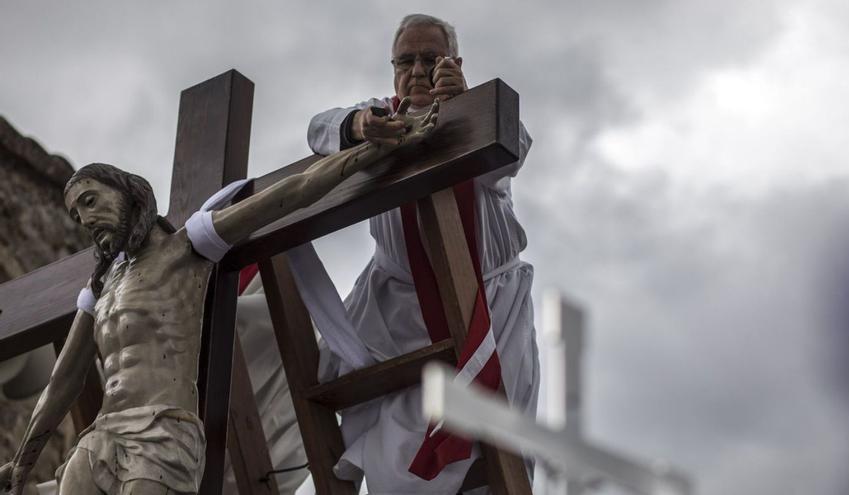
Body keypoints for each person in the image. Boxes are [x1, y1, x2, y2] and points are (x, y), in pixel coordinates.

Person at [0, 102, 437, 495]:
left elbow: (291, 194)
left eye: (92, 201)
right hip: (101, 437)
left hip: (159, 433)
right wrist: (22, 462)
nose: (86, 219)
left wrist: (377, 149)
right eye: (77, 214)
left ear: (129, 191)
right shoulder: (100, 288)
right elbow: (63, 381)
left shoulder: (186, 248)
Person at [307, 13, 539, 494]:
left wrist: (464, 100)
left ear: (453, 63)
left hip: (491, 305)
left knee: (491, 447)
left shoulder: (479, 112)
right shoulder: (378, 118)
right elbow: (317, 130)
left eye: (430, 59)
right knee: (388, 439)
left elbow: (515, 148)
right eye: (406, 60)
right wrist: (357, 126)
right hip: (396, 314)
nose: (416, 70)